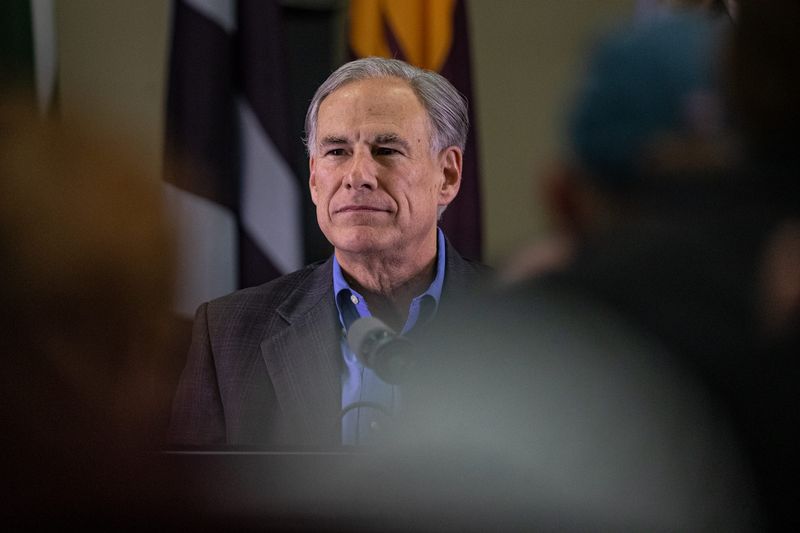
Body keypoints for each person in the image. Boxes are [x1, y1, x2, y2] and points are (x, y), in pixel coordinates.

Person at [168, 57, 490, 448]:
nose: (357, 176)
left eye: (386, 150)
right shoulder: (227, 335)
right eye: (337, 151)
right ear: (314, 179)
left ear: (448, 175)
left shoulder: (531, 325)